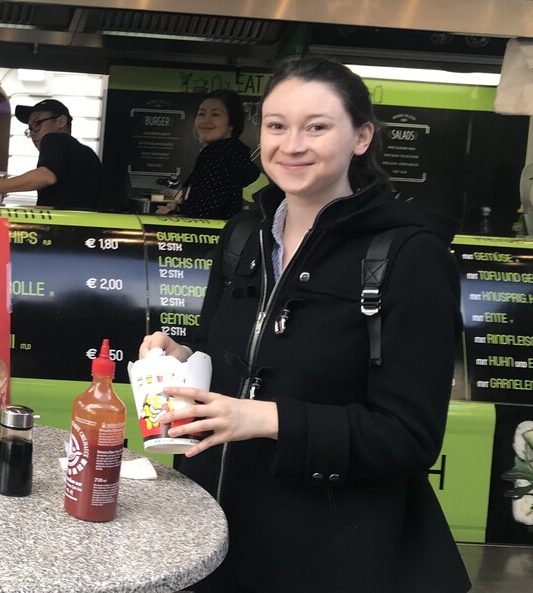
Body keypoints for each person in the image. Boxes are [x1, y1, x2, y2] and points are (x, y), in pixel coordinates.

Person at [138, 58, 469, 593]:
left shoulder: (408, 255)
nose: (291, 145)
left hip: (327, 552)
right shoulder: (244, 236)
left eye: (316, 126)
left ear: (361, 137)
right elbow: (213, 349)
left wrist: (267, 418)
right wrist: (182, 360)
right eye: (276, 125)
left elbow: (409, 437)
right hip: (213, 531)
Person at [0, 98, 102, 209]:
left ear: (60, 121)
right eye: (30, 128)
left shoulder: (53, 138)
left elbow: (46, 176)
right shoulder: (87, 153)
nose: (33, 133)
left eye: (37, 123)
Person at [157, 89, 259, 219]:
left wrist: (169, 214)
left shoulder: (216, 155)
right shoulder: (234, 155)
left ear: (231, 123)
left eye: (215, 115)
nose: (206, 120)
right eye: (201, 114)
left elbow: (202, 215)